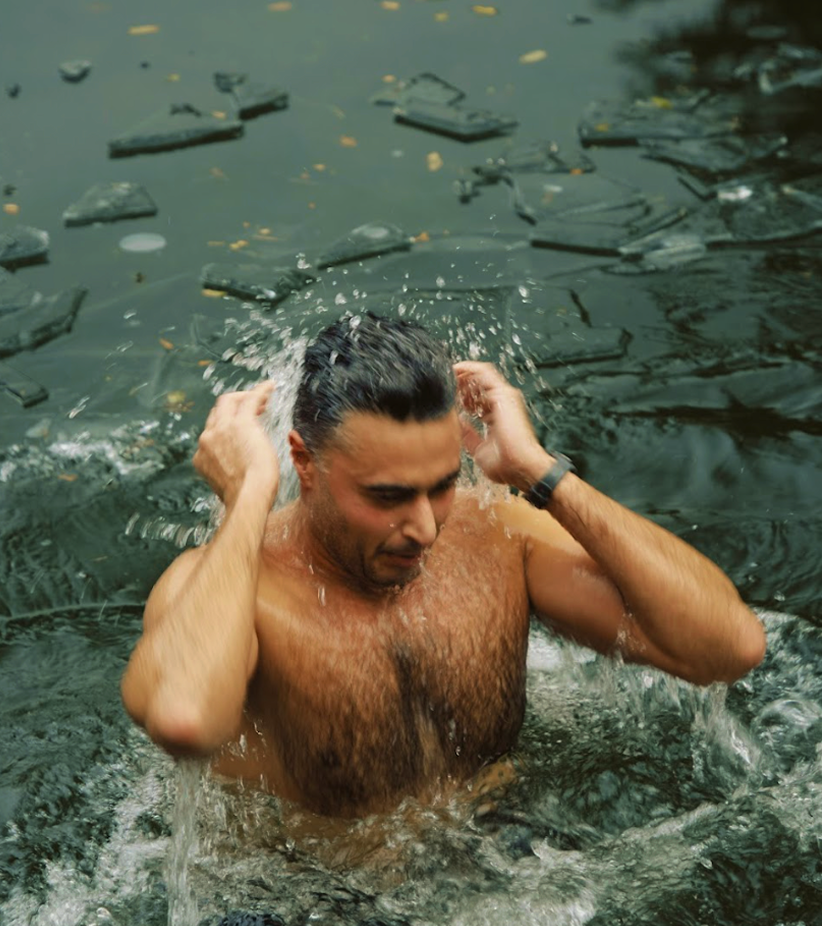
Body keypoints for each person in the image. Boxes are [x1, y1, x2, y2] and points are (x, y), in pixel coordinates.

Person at [121, 314, 766, 820]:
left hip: (493, 870)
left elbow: (726, 648)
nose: (426, 527)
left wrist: (540, 473)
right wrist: (249, 495)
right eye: (388, 496)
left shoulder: (498, 532)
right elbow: (185, 720)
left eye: (440, 485)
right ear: (305, 462)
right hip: (304, 925)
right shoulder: (226, 586)